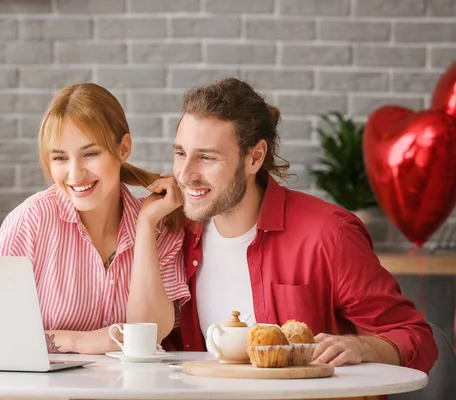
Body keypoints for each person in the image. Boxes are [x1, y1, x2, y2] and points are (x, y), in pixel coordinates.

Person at [172, 77, 438, 373]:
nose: (184, 175)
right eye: (180, 153)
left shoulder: (329, 234)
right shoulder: (174, 235)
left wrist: (361, 346)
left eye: (207, 157)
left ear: (255, 157)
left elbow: (416, 337)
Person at [0, 83, 189, 355]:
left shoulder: (160, 225)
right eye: (60, 158)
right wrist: (82, 342)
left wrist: (144, 226)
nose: (74, 174)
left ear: (123, 149)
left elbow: (146, 335)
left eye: (90, 154)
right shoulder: (32, 219)